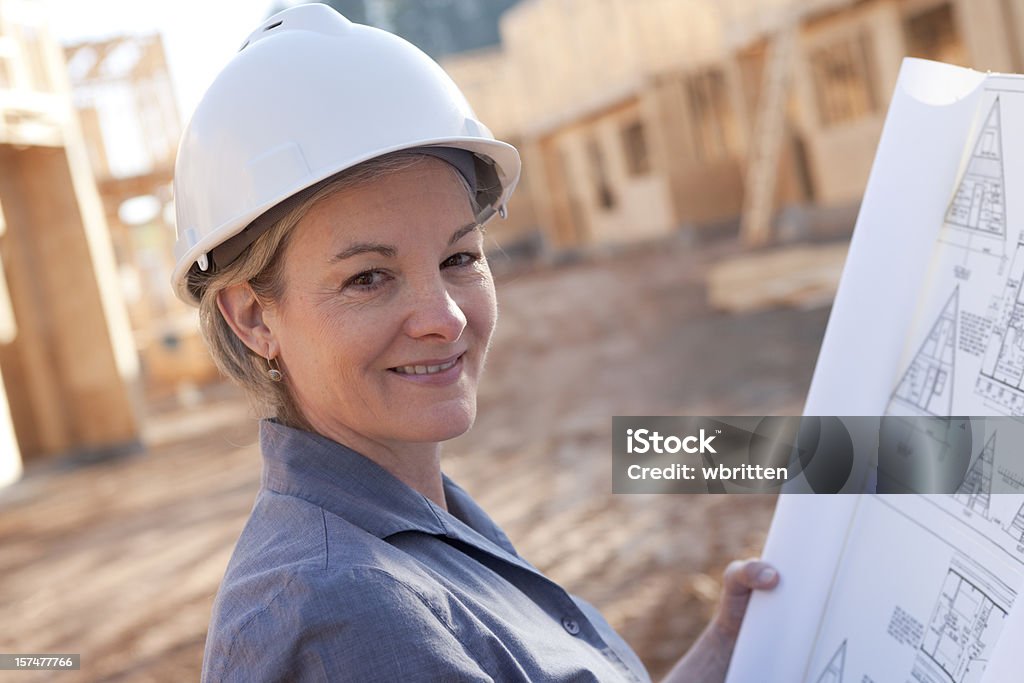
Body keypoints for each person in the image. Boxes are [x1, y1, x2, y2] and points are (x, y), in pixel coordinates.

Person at [171, 4, 779, 681]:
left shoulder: (412, 519)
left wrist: (727, 651)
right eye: (369, 278)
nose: (445, 317)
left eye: (460, 258)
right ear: (251, 318)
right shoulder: (346, 610)